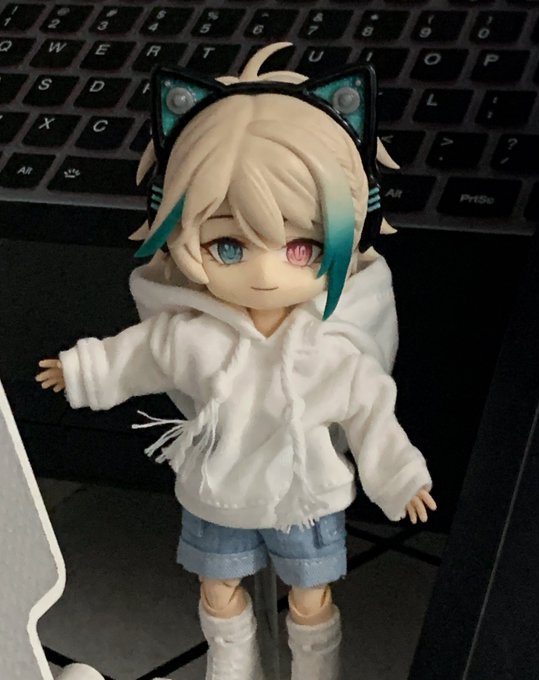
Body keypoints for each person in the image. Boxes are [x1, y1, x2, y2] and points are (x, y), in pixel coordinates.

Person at [36, 42, 435, 680]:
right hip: (218, 488)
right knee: (218, 593)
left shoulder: (329, 349)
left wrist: (400, 477)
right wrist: (84, 371)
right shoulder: (194, 335)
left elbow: (371, 414)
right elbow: (139, 354)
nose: (265, 273)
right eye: (227, 246)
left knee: (310, 601)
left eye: (303, 248)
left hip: (304, 491)